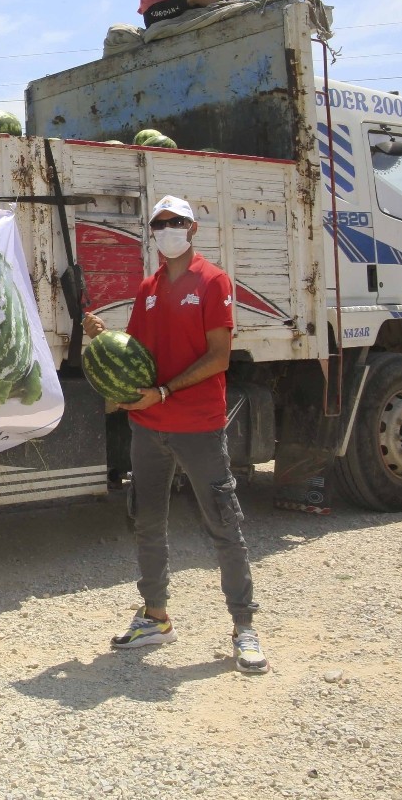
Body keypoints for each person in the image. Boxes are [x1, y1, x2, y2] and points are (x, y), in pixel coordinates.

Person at [82, 194, 266, 674]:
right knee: (148, 521)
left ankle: (244, 627)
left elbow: (219, 357)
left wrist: (162, 392)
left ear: (192, 228)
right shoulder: (148, 287)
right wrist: (104, 336)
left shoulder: (213, 281)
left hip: (198, 425)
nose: (167, 229)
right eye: (159, 223)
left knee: (224, 524)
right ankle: (156, 617)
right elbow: (139, 351)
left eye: (175, 222)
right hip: (148, 426)